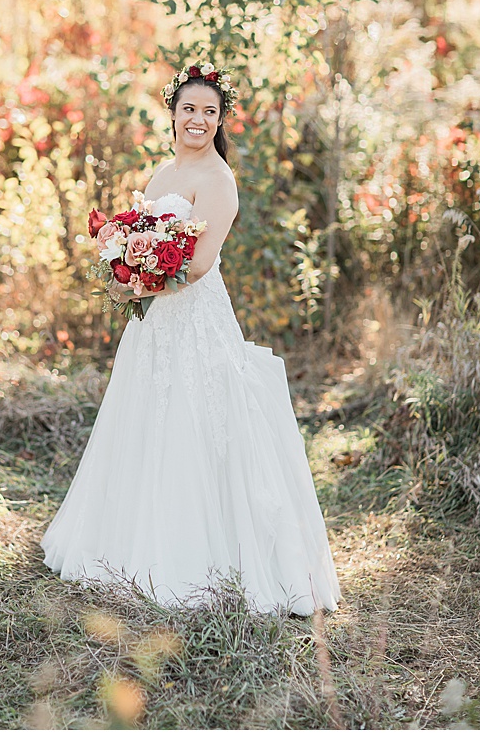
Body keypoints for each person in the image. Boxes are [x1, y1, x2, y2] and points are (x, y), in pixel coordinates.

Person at [41, 63, 340, 615]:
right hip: (155, 322)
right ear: (173, 114)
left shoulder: (219, 181)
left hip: (196, 320)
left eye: (209, 112)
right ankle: (131, 542)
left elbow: (198, 266)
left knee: (197, 421)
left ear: (220, 120)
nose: (197, 120)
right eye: (189, 109)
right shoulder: (163, 173)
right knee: (145, 421)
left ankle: (200, 557)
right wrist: (123, 267)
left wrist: (142, 283)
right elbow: (143, 235)